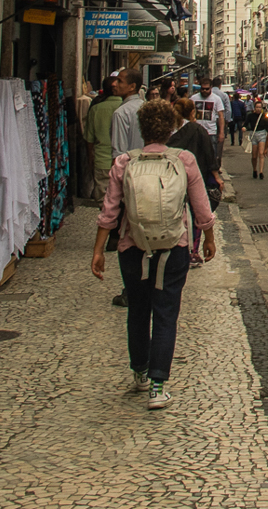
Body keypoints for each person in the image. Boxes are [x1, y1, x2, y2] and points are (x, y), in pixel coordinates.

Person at [90, 98, 216, 411]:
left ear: (141, 128)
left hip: (132, 248)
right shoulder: (184, 160)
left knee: (138, 309)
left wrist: (98, 250)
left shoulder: (124, 162)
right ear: (172, 128)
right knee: (166, 313)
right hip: (173, 247)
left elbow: (109, 211)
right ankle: (158, 387)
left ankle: (140, 372)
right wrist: (208, 238)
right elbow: (201, 206)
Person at [165, 97, 222, 209]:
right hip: (196, 175)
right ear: (192, 112)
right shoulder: (198, 130)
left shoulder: (168, 130)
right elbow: (209, 154)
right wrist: (216, 176)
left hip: (171, 176)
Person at [109, 69, 147, 156]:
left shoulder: (121, 113)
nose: (113, 84)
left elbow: (119, 153)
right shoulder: (146, 107)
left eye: (119, 81)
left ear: (132, 87)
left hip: (129, 162)